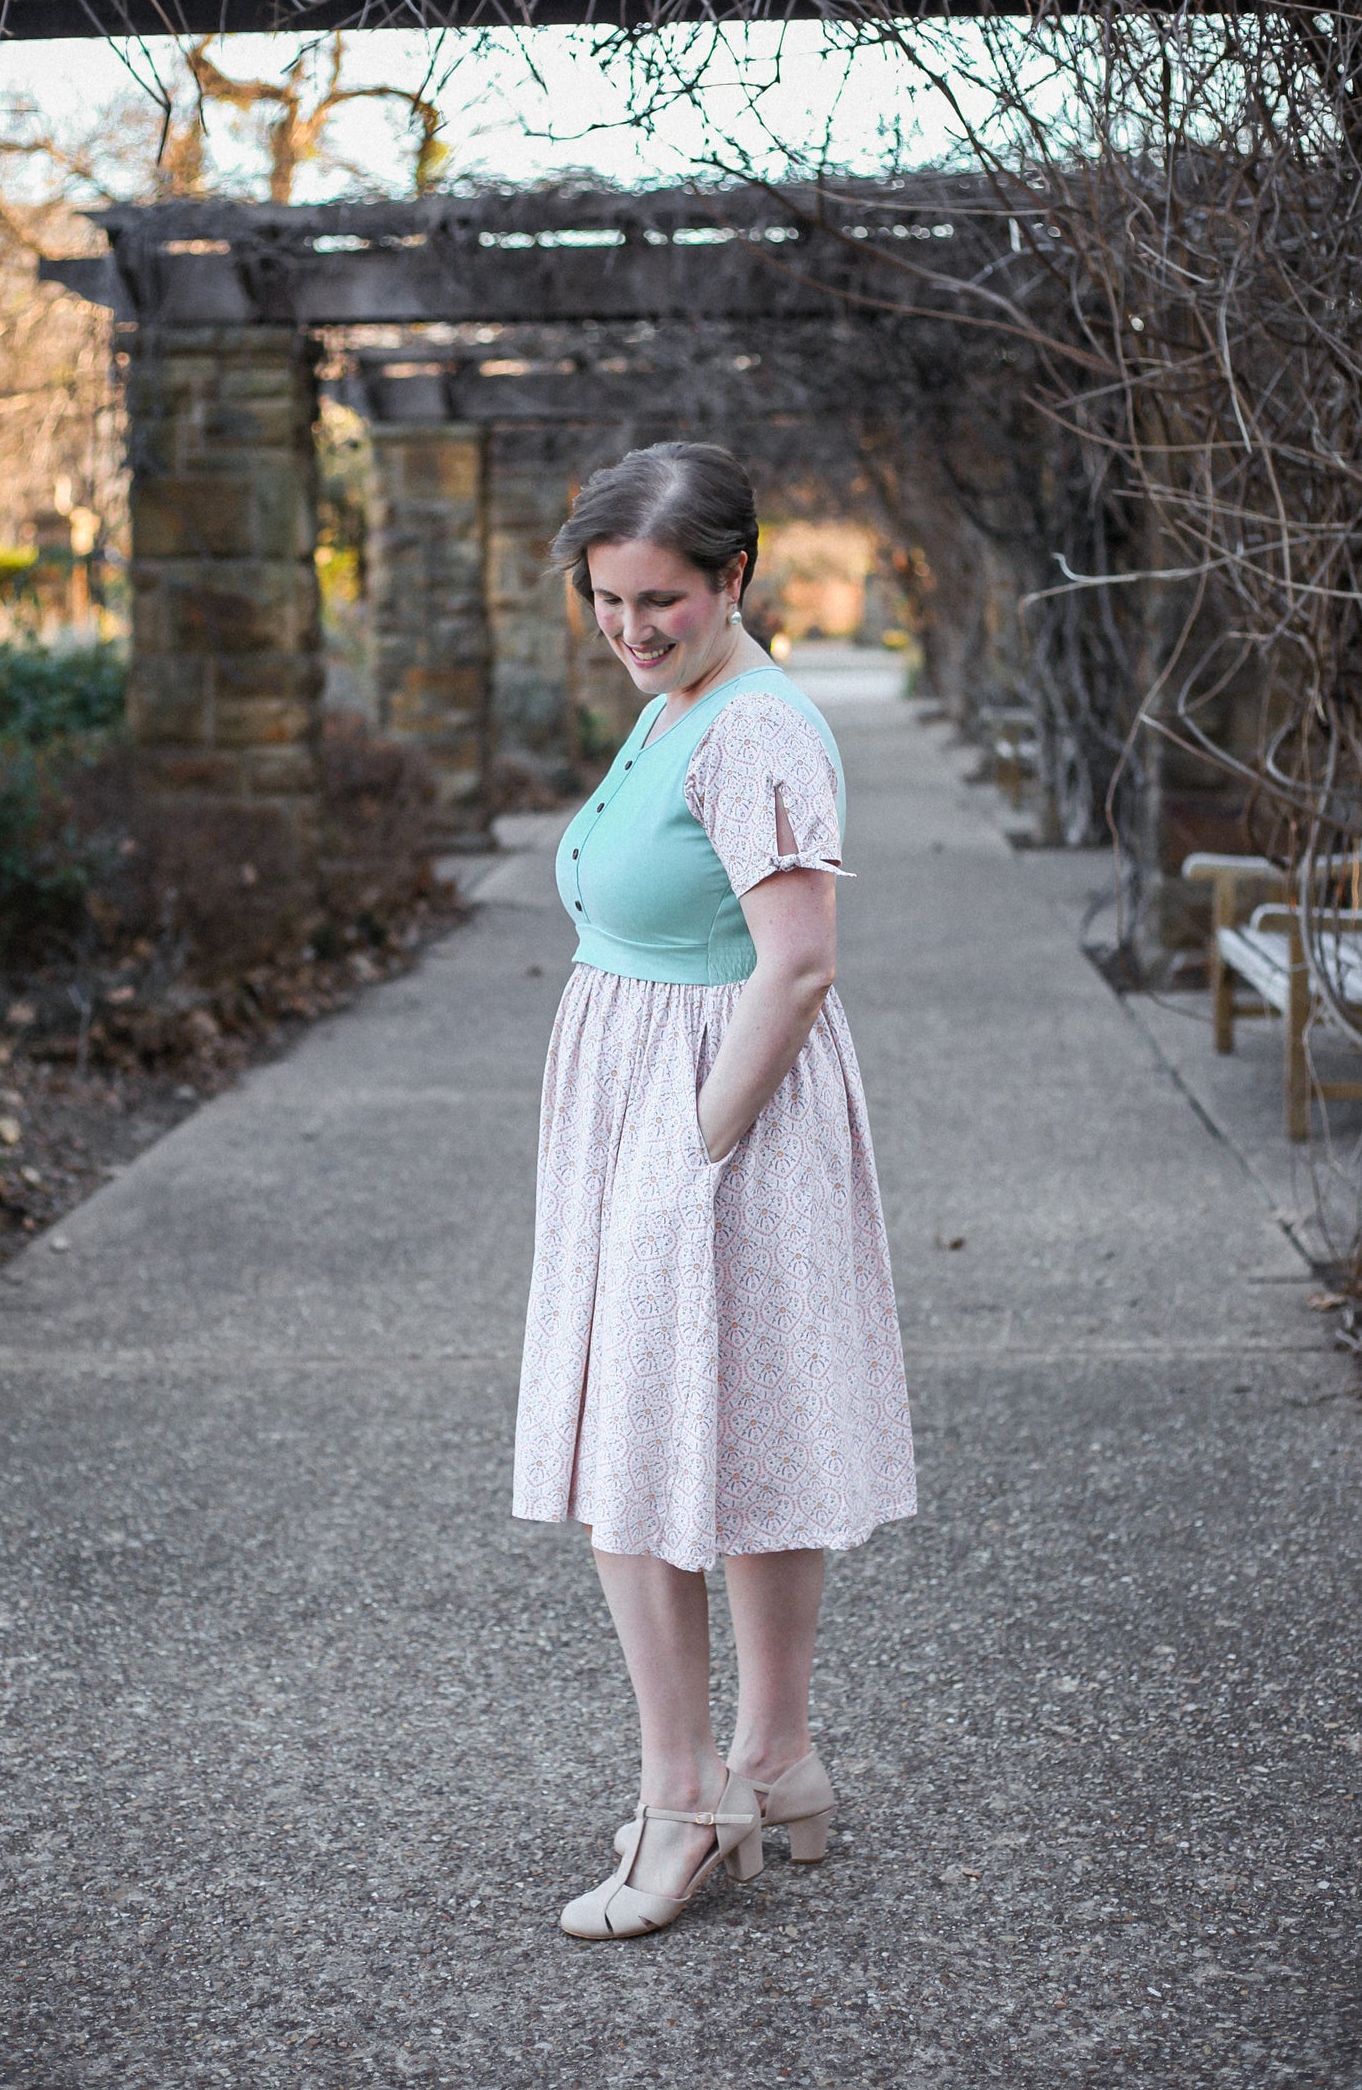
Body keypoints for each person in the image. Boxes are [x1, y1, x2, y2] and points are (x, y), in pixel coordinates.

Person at [511, 442, 915, 1941]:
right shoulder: (683, 702)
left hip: (710, 1117)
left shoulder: (750, 729)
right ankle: (776, 1759)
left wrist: (687, 1150)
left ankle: (682, 1798)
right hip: (666, 1107)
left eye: (661, 600)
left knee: (639, 1456)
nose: (629, 628)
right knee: (729, 1435)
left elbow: (799, 962)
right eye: (606, 599)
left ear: (734, 576)